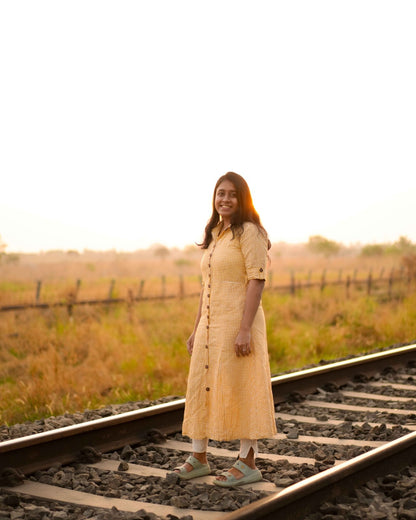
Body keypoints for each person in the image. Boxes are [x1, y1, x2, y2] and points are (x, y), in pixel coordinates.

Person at [174, 171, 277, 487]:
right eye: (220, 193)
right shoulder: (216, 233)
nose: (225, 199)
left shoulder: (250, 232)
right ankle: (198, 457)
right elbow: (207, 286)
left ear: (242, 198)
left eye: (232, 194)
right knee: (202, 385)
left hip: (237, 322)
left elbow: (256, 279)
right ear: (214, 198)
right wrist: (196, 329)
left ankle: (247, 461)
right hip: (210, 325)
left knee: (241, 385)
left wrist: (244, 329)